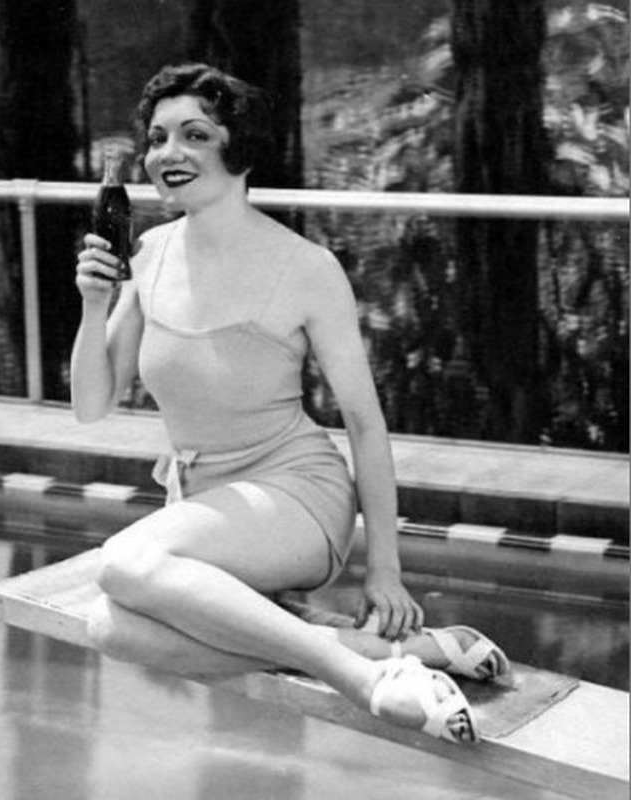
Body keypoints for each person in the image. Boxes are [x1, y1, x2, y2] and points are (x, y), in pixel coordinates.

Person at [71, 63, 509, 744]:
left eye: (194, 134)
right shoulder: (149, 254)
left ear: (239, 148)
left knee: (122, 563)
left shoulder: (306, 268)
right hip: (207, 511)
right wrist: (95, 304)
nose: (168, 153)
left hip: (299, 498)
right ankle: (376, 652)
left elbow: (364, 422)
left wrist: (384, 571)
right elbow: (91, 405)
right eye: (157, 139)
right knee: (107, 626)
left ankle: (363, 681)